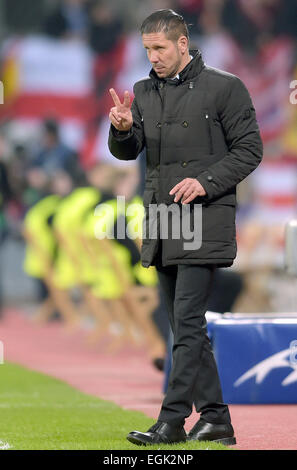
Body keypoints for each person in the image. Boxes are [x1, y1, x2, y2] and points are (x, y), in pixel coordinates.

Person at [108, 9, 263, 446]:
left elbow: (250, 150)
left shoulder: (225, 87)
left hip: (203, 219)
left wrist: (206, 181)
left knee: (187, 323)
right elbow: (128, 151)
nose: (152, 57)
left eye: (159, 48)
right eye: (146, 50)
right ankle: (216, 419)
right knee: (184, 324)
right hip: (161, 220)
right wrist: (121, 130)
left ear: (182, 43)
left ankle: (172, 420)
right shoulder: (141, 91)